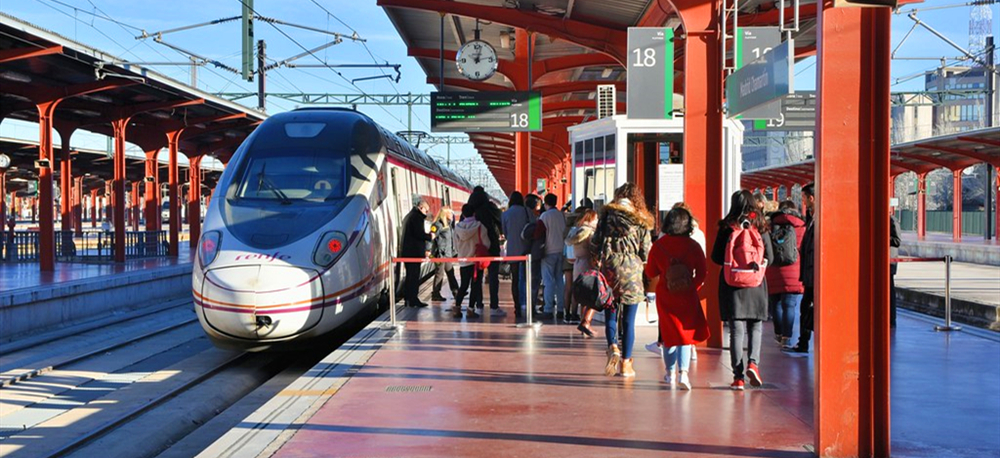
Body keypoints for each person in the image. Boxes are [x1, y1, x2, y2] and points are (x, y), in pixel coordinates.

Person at [712, 190, 773, 390]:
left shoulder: (727, 226)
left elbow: (716, 257)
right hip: (755, 284)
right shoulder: (760, 225)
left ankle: (738, 377)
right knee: (755, 326)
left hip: (732, 284)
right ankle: (753, 363)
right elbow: (770, 258)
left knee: (736, 331)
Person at [592, 183, 654, 378]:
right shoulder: (641, 221)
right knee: (628, 321)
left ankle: (613, 347)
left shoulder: (606, 217)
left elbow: (595, 243)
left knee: (611, 313)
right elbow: (646, 251)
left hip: (610, 268)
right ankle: (626, 364)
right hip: (632, 272)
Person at [645, 206, 709, 390]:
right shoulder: (693, 246)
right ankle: (684, 374)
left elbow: (650, 271)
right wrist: (692, 286)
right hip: (687, 294)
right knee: (685, 336)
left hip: (665, 294)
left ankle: (670, 373)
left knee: (669, 334)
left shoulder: (659, 245)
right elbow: (703, 272)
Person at [765, 200, 806, 348]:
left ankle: (778, 333)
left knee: (776, 305)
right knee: (789, 306)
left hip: (774, 270)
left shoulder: (770, 226)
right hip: (794, 271)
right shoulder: (801, 226)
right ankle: (786, 337)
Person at [468, 186, 506, 317]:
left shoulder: (470, 209)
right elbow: (500, 219)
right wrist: (501, 232)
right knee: (493, 276)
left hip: (476, 247)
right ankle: (494, 307)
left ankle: (479, 305)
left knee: (477, 277)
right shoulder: (490, 207)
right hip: (492, 245)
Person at [789, 183, 816, 353]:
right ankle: (803, 341)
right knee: (806, 307)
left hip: (813, 275)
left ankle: (804, 342)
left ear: (811, 198)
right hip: (809, 275)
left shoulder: (817, 219)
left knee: (807, 308)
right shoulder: (811, 218)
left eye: (805, 198)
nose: (803, 202)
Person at [534, 193, 568, 321]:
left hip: (548, 251)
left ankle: (548, 309)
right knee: (560, 280)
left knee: (548, 281)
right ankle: (560, 309)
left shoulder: (544, 216)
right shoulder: (561, 215)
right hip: (561, 250)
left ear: (545, 203)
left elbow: (538, 233)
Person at [565, 208, 599, 336]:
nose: (597, 221)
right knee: (591, 295)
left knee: (582, 295)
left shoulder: (576, 230)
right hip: (587, 264)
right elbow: (593, 248)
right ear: (590, 219)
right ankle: (586, 323)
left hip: (577, 264)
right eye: (595, 218)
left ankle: (582, 321)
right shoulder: (589, 232)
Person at [453, 204, 488, 319]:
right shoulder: (480, 226)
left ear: (463, 214)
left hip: (463, 261)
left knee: (463, 285)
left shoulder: (457, 228)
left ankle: (457, 308)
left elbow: (455, 246)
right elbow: (486, 243)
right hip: (476, 262)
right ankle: (470, 310)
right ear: (474, 213)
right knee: (475, 286)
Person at [501, 191, 531, 318]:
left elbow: (505, 233)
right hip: (526, 249)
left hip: (513, 250)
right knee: (526, 278)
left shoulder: (505, 214)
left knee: (515, 280)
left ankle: (517, 307)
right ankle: (527, 304)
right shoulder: (526, 211)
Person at [401, 200, 434, 308]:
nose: (426, 213)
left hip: (407, 252)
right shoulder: (417, 217)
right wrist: (430, 237)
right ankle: (413, 299)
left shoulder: (409, 216)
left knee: (410, 276)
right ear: (421, 208)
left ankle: (407, 298)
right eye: (426, 210)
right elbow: (419, 234)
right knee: (414, 277)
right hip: (414, 253)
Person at [431, 207, 459, 302]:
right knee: (439, 274)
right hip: (440, 254)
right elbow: (432, 237)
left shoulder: (449, 225)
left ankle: (456, 291)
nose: (452, 215)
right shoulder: (438, 225)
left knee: (450, 272)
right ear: (445, 214)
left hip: (448, 254)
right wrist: (429, 250)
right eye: (450, 213)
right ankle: (435, 293)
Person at [524, 194, 544, 314]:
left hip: (526, 252)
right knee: (535, 280)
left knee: (528, 280)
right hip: (536, 252)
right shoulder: (537, 219)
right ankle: (531, 307)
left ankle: (528, 305)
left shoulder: (525, 216)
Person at [890, 213, 901, 328]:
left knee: (890, 291)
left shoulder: (892, 220)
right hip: (884, 261)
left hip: (890, 261)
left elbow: (897, 241)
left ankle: (892, 318)